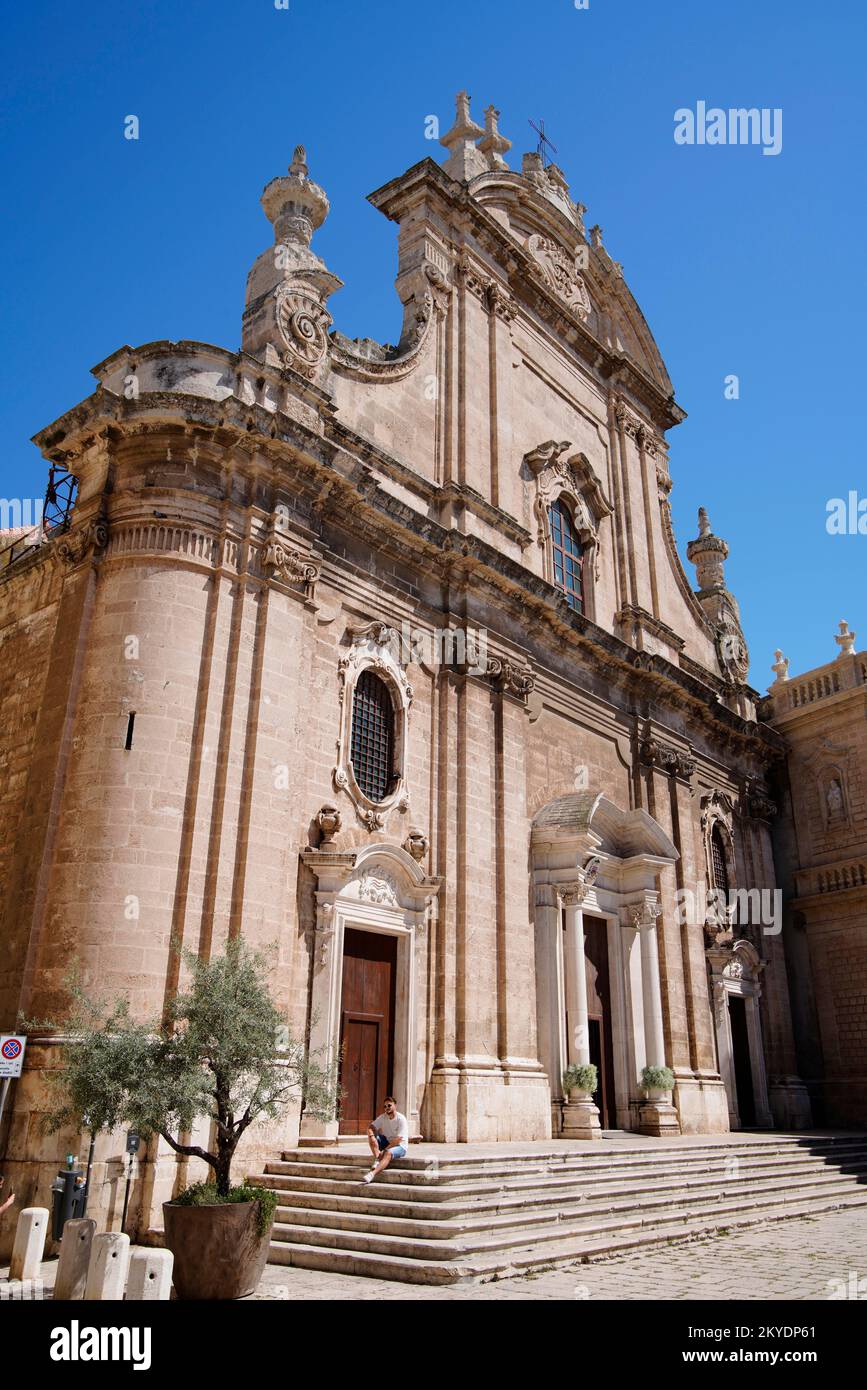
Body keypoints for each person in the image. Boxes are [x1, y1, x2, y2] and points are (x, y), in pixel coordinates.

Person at [362, 1096, 408, 1184]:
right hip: (387, 1141)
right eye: (385, 1106)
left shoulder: (401, 1119)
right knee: (373, 1137)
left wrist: (385, 1149)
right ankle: (378, 1159)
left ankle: (372, 1174)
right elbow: (371, 1127)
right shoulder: (383, 1117)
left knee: (388, 1152)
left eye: (389, 1105)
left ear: (395, 1106)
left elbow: (398, 1139)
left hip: (400, 1146)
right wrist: (371, 1136)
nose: (387, 1108)